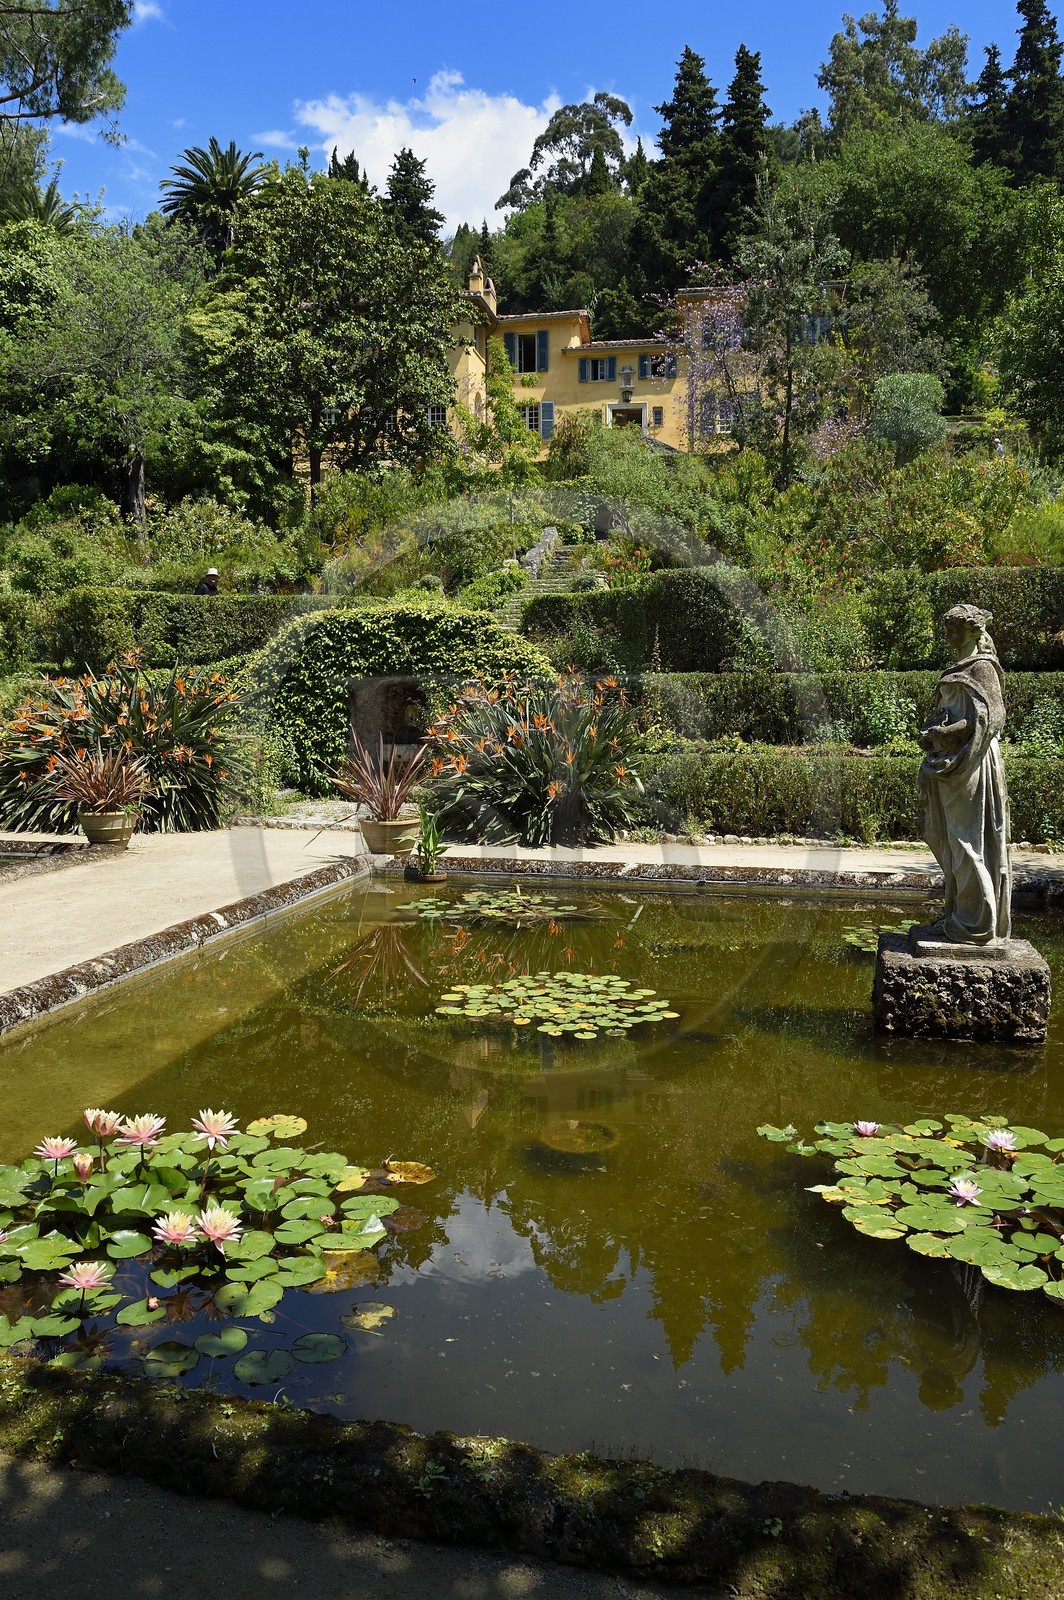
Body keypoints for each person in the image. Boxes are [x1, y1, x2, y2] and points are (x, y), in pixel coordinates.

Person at [918, 604, 1011, 944]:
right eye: (948, 628)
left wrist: (951, 733)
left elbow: (994, 717)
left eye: (958, 628)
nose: (951, 635)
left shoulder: (983, 667)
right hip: (951, 760)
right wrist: (935, 730)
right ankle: (958, 913)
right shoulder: (958, 667)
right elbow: (955, 711)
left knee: (966, 838)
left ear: (974, 631)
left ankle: (976, 924)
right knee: (949, 836)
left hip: (972, 760)